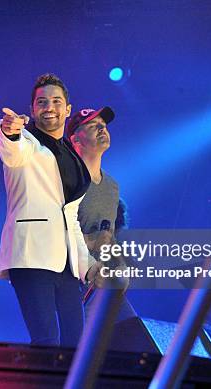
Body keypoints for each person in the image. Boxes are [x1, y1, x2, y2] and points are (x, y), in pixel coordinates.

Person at [0, 73, 98, 347]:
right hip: (31, 256)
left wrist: (87, 265)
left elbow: (71, 218)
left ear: (67, 109)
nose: (49, 107)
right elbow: (12, 150)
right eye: (41, 102)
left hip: (65, 263)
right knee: (46, 342)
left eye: (56, 101)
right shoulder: (26, 143)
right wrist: (10, 130)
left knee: (74, 345)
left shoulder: (71, 154)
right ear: (32, 109)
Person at [66, 107, 137, 321]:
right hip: (72, 285)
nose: (101, 129)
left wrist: (119, 265)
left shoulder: (111, 186)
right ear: (75, 139)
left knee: (134, 336)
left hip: (102, 286)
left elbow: (107, 236)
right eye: (92, 125)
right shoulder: (65, 180)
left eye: (104, 126)